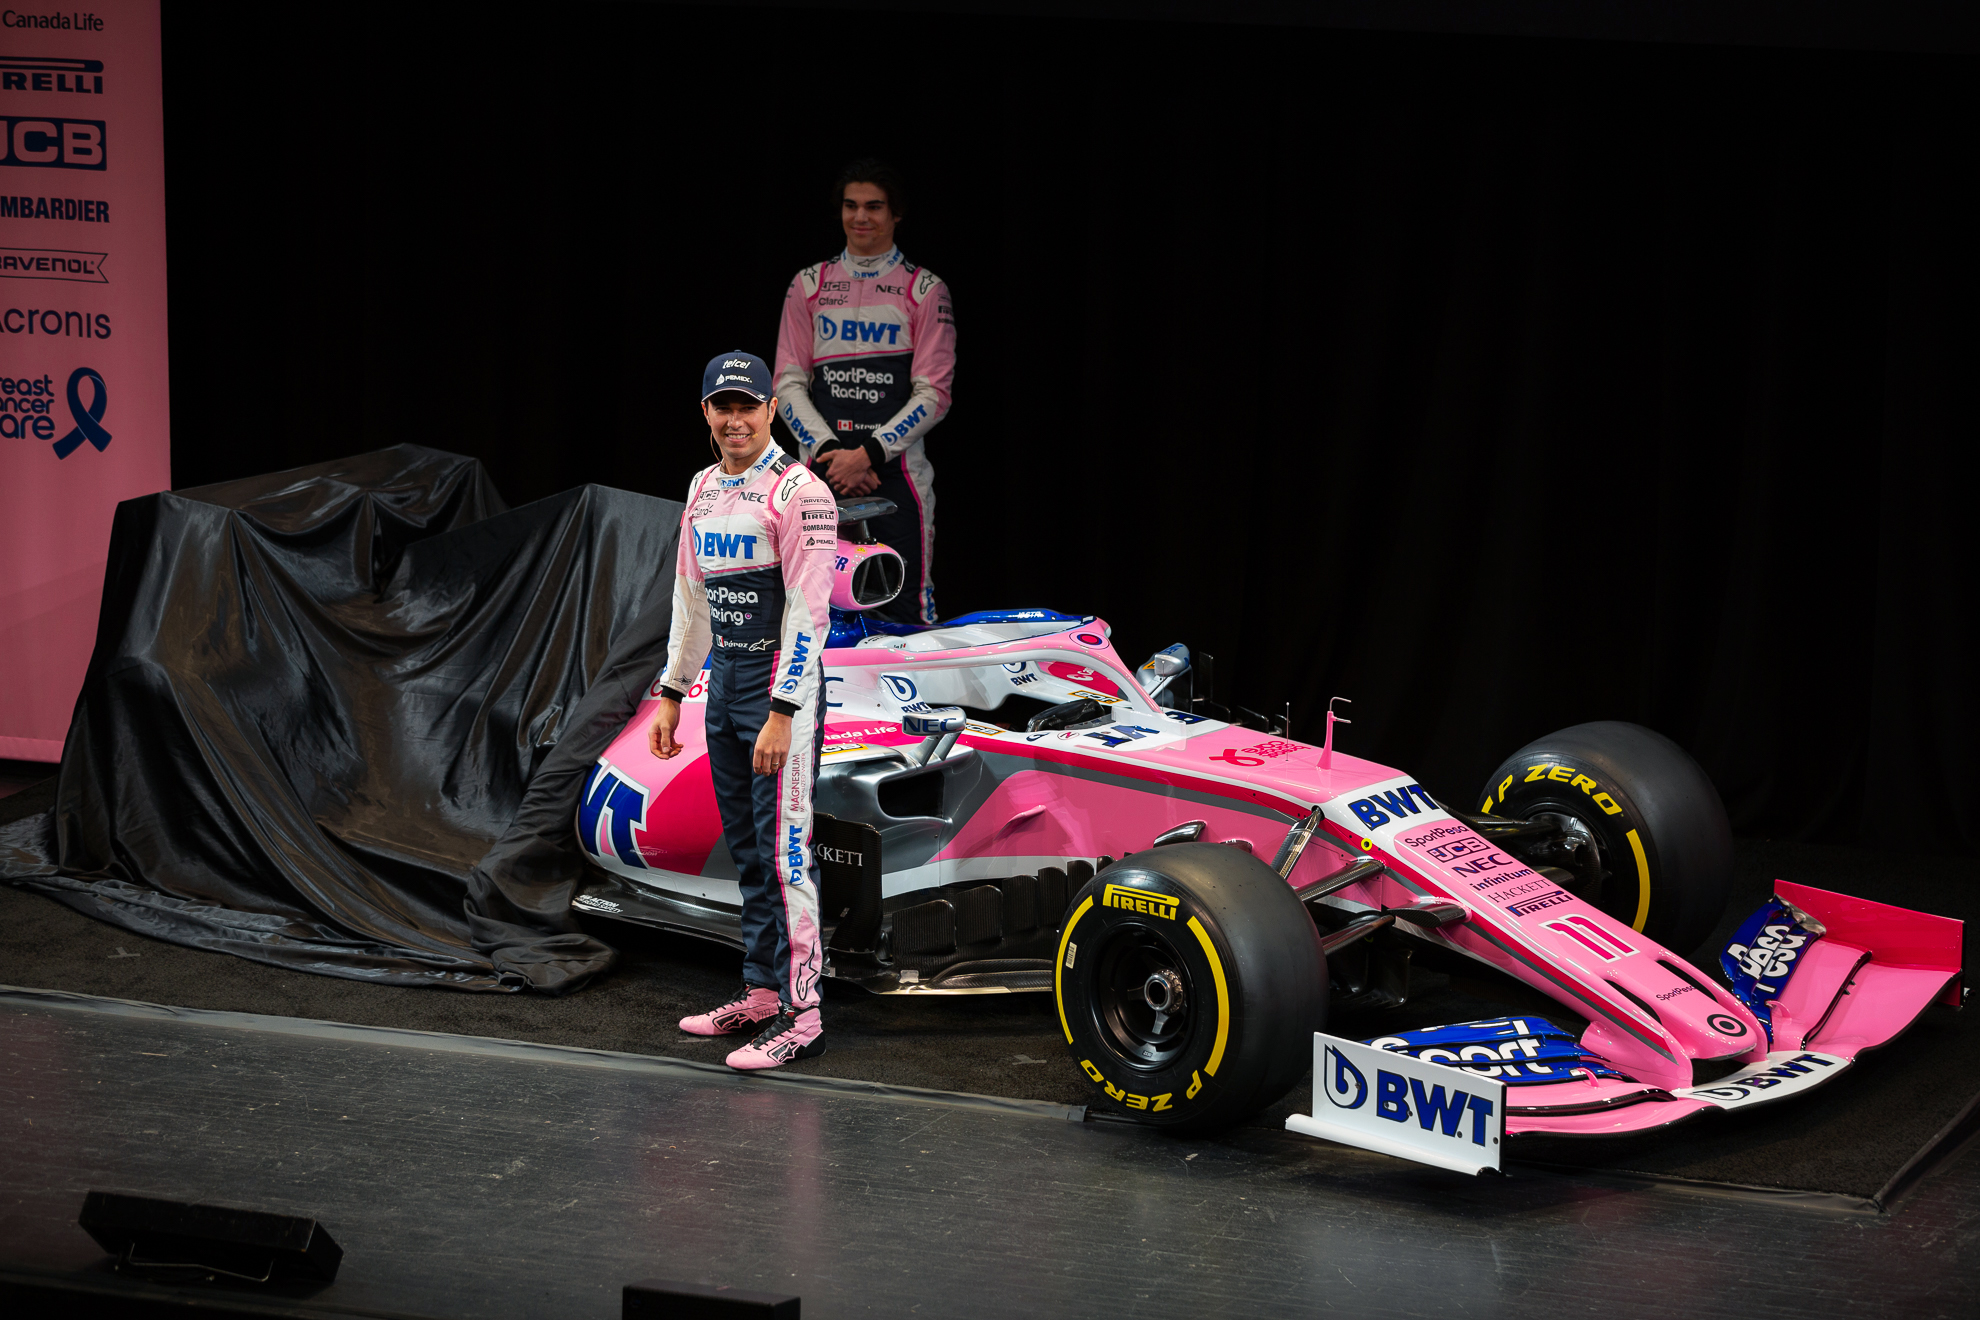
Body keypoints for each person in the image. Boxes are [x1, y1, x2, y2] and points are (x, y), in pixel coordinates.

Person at [648, 350, 839, 1070]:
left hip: (776, 689)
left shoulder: (800, 493)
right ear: (706, 413)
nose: (735, 418)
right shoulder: (701, 488)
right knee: (750, 854)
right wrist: (672, 693)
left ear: (771, 411)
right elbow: (689, 603)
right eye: (722, 406)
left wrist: (784, 708)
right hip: (723, 681)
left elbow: (808, 613)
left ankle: (805, 1014)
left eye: (748, 406)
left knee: (788, 854)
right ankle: (761, 994)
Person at [774, 158, 954, 626]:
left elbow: (934, 393)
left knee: (905, 607)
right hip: (821, 470)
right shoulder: (808, 285)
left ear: (896, 214)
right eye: (851, 206)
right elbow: (787, 385)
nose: (861, 218)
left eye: (874, 207)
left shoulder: (925, 290)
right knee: (809, 605)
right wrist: (835, 452)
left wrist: (869, 454)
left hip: (897, 475)